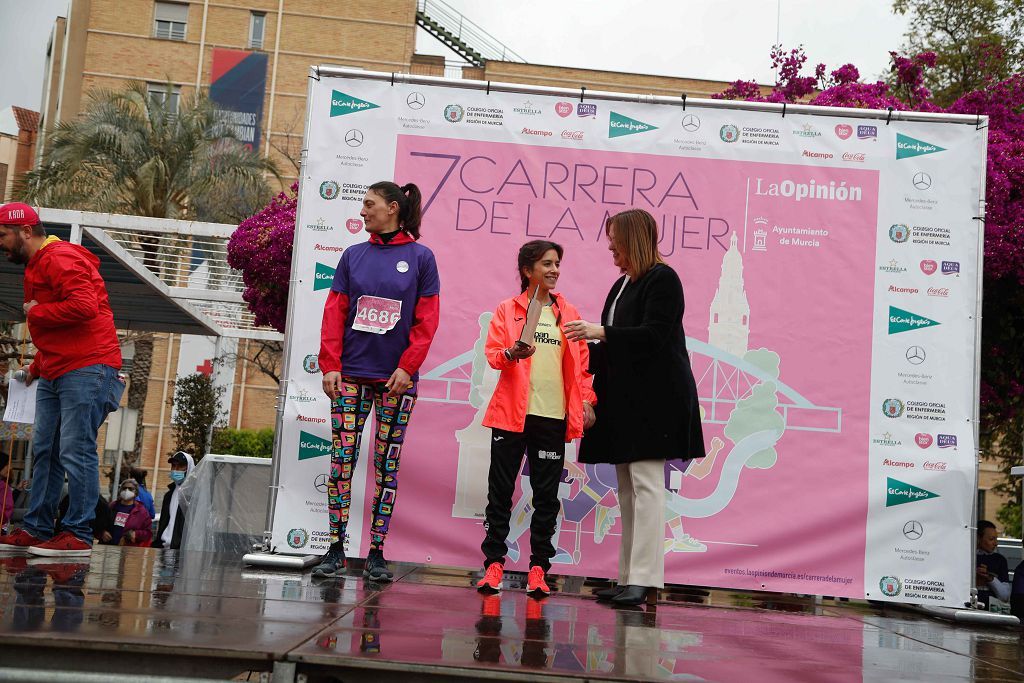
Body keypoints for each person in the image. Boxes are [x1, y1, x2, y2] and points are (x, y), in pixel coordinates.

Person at [565, 208, 705, 607]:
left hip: (655, 403)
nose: (610, 247)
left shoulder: (664, 279)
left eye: (615, 240)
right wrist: (569, 353)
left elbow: (653, 336)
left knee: (646, 486)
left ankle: (644, 579)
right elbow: (612, 349)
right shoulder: (622, 284)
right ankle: (628, 577)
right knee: (627, 490)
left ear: (633, 240)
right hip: (624, 402)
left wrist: (599, 331)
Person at [314, 181, 441, 581]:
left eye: (369, 204)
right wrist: (330, 364)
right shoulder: (353, 256)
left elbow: (427, 320)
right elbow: (335, 312)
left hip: (395, 383)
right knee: (341, 462)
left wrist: (407, 367)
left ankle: (377, 552)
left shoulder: (422, 258)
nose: (363, 210)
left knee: (386, 466)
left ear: (392, 208)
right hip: (350, 375)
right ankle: (335, 548)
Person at [0, 202, 124, 557]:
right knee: (46, 452)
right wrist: (33, 370)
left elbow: (85, 307)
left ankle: (78, 533)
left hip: (87, 368)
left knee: (74, 449)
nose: (0, 243)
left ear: (26, 231)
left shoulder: (59, 257)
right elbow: (62, 334)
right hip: (61, 368)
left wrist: (38, 311)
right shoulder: (41, 264)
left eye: (3, 235)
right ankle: (37, 529)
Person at [476, 240, 596, 597]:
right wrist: (513, 352)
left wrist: (588, 400)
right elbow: (495, 356)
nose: (555, 270)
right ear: (528, 270)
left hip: (551, 417)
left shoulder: (569, 312)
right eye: (547, 264)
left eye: (557, 264)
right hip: (512, 416)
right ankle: (493, 566)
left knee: (546, 496)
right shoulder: (507, 310)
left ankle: (539, 569)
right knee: (500, 493)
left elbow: (584, 365)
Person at [152, 451, 194, 549]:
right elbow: (164, 522)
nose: (175, 470)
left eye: (180, 466)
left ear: (189, 469)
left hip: (181, 551)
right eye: (173, 466)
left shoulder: (194, 495)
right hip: (164, 548)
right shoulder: (169, 495)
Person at [976, 520, 1010, 609]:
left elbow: (1005, 595)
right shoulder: (966, 557)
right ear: (978, 538)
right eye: (991, 539)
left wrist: (989, 577)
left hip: (992, 610)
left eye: (996, 539)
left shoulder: (1000, 560)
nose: (995, 543)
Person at [108, 478, 153, 546]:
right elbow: (101, 523)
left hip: (128, 550)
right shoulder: (112, 506)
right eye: (124, 488)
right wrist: (102, 532)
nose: (127, 490)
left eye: (130, 489)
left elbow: (148, 533)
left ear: (136, 492)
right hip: (109, 547)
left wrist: (135, 534)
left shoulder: (142, 511)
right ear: (120, 490)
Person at [0, 453, 15, 533]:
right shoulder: (3, 486)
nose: (10, 468)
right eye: (7, 465)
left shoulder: (4, 486)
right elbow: (6, 510)